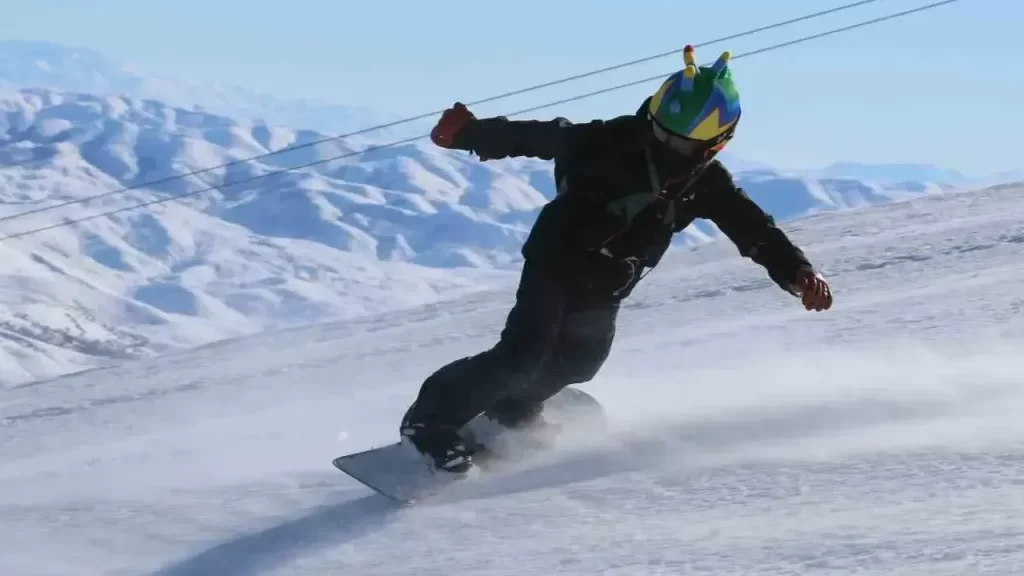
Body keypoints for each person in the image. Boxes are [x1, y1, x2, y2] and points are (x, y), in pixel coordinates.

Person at [399, 46, 833, 474]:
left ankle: (512, 410)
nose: (667, 146)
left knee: (581, 360)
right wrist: (470, 133)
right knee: (522, 354)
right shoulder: (610, 140)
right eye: (662, 133)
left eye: (682, 143)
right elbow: (541, 136)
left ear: (715, 143)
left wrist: (798, 272)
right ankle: (430, 422)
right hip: (556, 257)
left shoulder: (707, 183)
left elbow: (754, 228)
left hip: (609, 280)